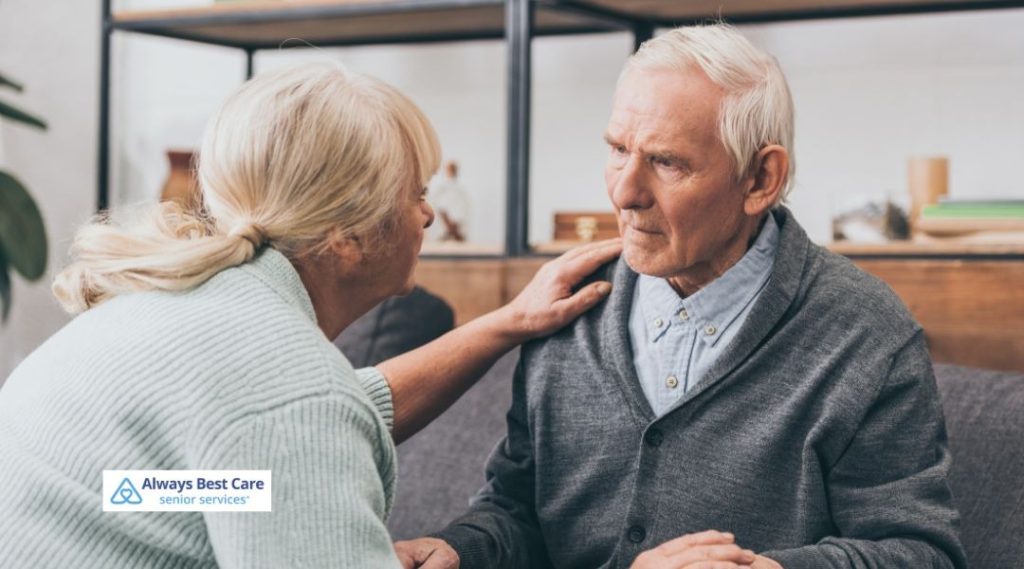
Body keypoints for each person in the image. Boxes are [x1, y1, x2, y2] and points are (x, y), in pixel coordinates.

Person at [0, 63, 621, 568]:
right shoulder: (288, 394)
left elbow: (203, 480)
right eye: (416, 194)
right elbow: (294, 419)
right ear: (345, 237)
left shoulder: (177, 306)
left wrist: (507, 322)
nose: (428, 217)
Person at [396, 24, 966, 569]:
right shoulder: (567, 306)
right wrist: (461, 550)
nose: (623, 192)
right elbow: (517, 512)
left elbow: (920, 553)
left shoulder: (866, 335)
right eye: (618, 149)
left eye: (666, 162)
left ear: (760, 180)